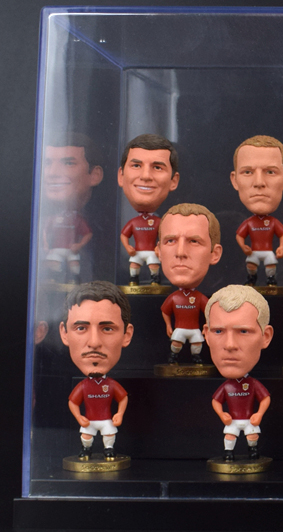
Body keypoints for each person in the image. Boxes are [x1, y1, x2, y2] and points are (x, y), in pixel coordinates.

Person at [60, 281, 133, 461]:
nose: (94, 342)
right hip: (89, 421)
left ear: (127, 335)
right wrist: (79, 417)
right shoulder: (83, 386)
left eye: (107, 328)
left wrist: (119, 414)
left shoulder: (111, 385)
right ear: (64, 333)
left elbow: (123, 398)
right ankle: (86, 451)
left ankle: (108, 450)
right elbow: (73, 402)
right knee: (87, 436)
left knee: (109, 435)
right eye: (81, 328)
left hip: (106, 420)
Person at [204, 285, 274, 462]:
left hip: (249, 421)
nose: (230, 345)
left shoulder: (252, 384)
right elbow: (216, 401)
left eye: (243, 331)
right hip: (233, 422)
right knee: (230, 436)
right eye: (218, 331)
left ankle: (252, 452)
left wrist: (258, 414)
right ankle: (229, 453)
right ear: (206, 335)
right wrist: (222, 414)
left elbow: (265, 398)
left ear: (265, 337)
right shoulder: (227, 386)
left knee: (252, 436)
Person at [156, 204, 223, 364]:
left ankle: (195, 357)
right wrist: (168, 325)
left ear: (214, 254)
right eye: (170, 241)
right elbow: (165, 311)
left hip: (194, 330)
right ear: (158, 252)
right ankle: (174, 357)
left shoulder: (200, 298)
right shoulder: (174, 298)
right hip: (180, 329)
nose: (180, 252)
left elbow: (209, 313)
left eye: (194, 241)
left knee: (196, 345)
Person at [230, 135, 283, 286]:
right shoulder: (230, 224)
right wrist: (243, 246)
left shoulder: (278, 224)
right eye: (247, 172)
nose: (259, 183)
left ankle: (270, 280)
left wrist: (281, 247)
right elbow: (239, 236)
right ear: (235, 180)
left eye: (270, 172)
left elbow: (282, 234)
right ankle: (252, 279)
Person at [118, 134, 180, 286]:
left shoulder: (162, 222)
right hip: (137, 252)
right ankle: (134, 280)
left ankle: (154, 280)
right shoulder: (134, 222)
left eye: (157, 167)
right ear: (121, 176)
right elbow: (124, 235)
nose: (146, 176)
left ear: (173, 181)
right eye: (136, 166)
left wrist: (160, 248)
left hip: (153, 253)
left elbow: (166, 237)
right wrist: (128, 247)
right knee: (135, 266)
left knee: (153, 266)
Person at [42, 133, 104, 282]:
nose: (52, 173)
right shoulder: (32, 221)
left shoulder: (104, 228)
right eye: (47, 163)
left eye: (68, 163)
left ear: (94, 175)